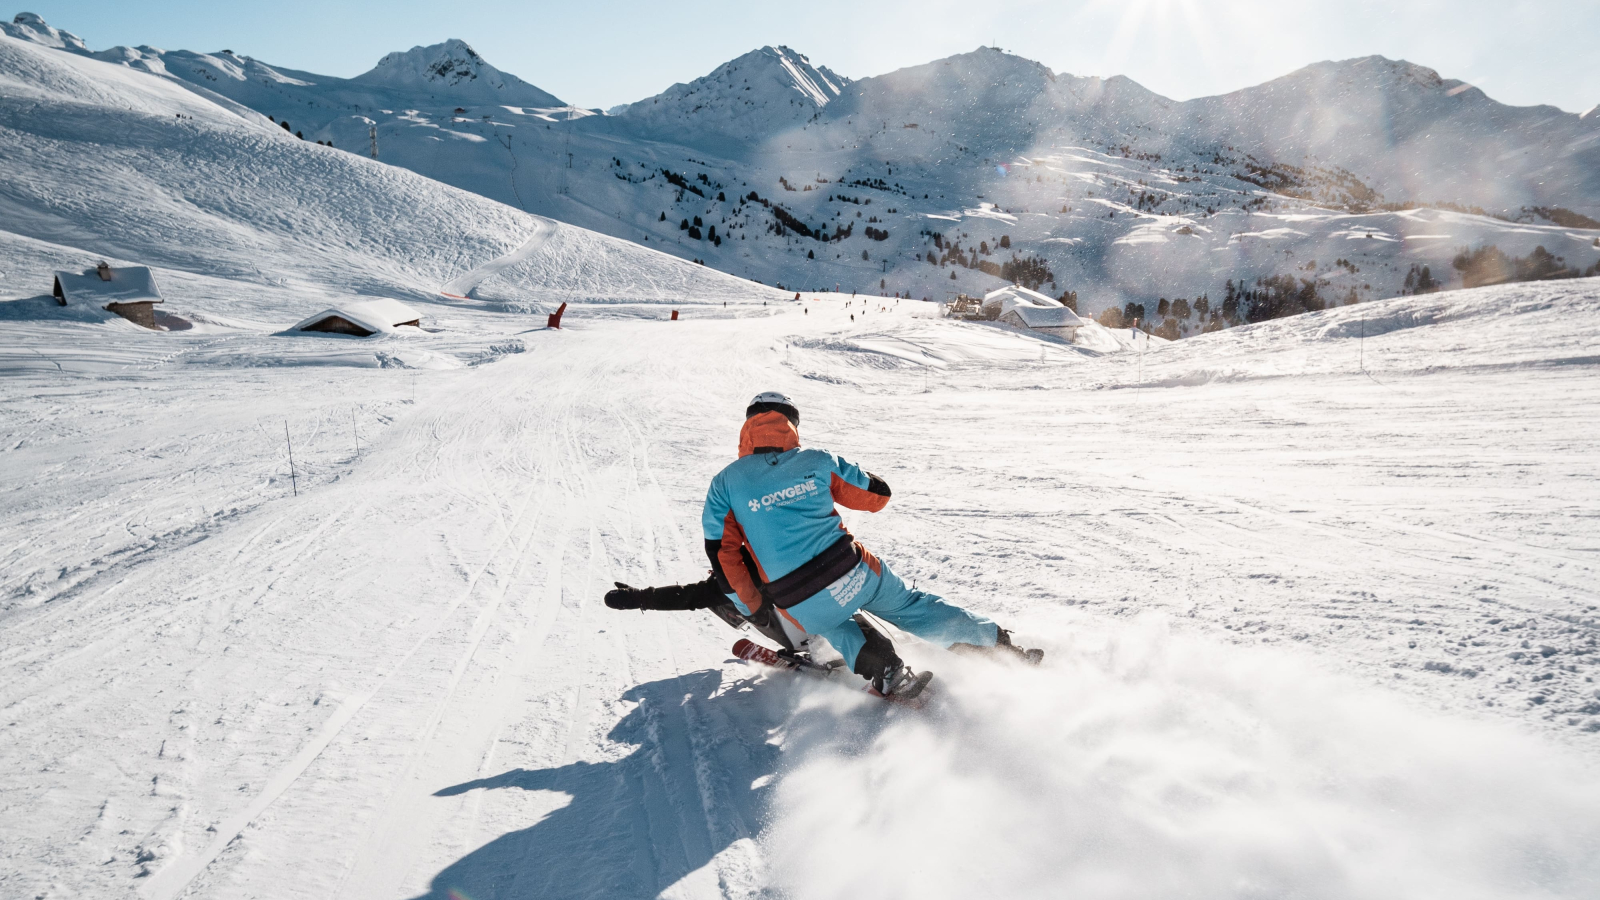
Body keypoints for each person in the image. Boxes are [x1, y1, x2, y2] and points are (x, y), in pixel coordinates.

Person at [606, 392, 1040, 698]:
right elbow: (878, 497)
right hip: (852, 571)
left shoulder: (725, 483)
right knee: (913, 608)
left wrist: (753, 604)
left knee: (833, 624)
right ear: (790, 424)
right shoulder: (816, 460)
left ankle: (886, 671)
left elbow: (722, 555)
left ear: (747, 427)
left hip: (798, 600)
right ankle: (996, 646)